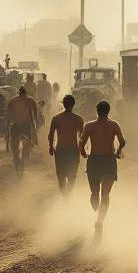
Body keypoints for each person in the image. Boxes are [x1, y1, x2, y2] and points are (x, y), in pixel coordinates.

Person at [80, 101, 125, 231]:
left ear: (97, 111)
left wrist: (84, 154)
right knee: (105, 194)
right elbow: (122, 142)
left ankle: (99, 220)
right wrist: (117, 152)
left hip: (94, 160)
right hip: (108, 160)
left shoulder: (89, 126)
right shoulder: (114, 125)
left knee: (95, 193)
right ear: (108, 111)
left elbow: (81, 145)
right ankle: (100, 221)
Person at [48, 94, 86, 197]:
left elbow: (50, 135)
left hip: (61, 150)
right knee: (72, 176)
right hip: (73, 150)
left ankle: (65, 194)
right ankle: (67, 194)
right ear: (73, 105)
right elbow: (82, 137)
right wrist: (82, 149)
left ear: (63, 104)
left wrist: (51, 147)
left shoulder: (56, 118)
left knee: (61, 176)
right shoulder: (78, 119)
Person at [4, 85, 38, 178]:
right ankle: (27, 149)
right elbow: (35, 115)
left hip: (17, 127)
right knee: (24, 148)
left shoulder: (12, 101)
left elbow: (8, 116)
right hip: (25, 127)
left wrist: (7, 124)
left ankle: (19, 161)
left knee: (15, 150)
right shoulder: (30, 101)